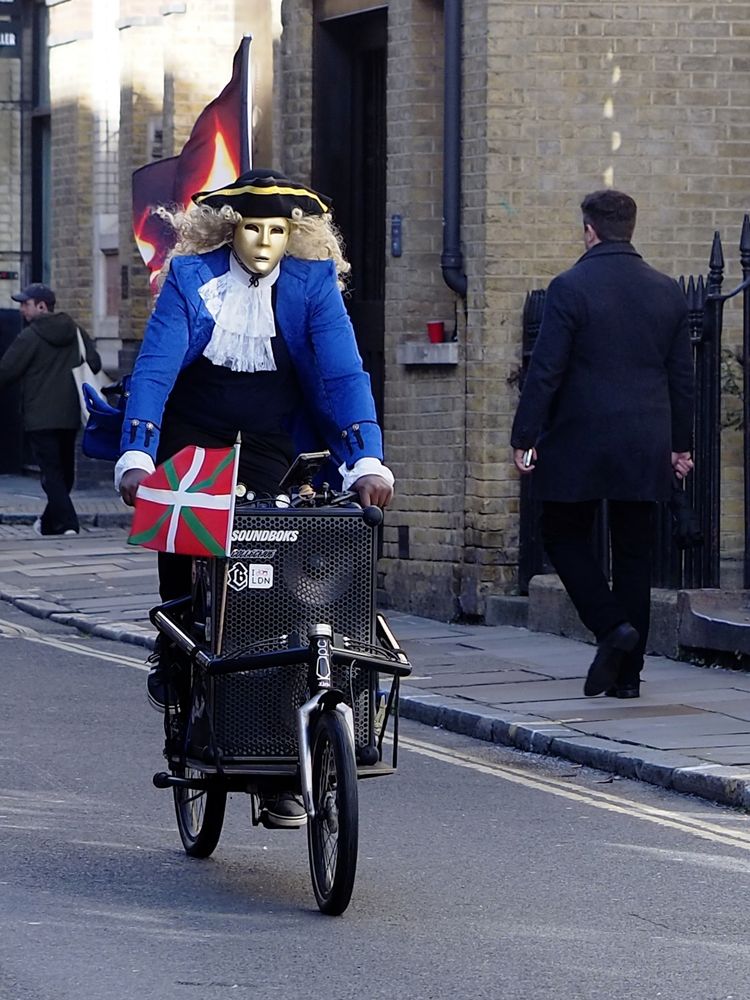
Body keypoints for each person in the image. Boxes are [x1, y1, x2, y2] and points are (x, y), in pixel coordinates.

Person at [116, 168, 393, 827]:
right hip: (195, 428)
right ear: (227, 228)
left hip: (270, 437)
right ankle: (176, 649)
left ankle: (278, 760)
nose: (266, 241)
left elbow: (342, 370)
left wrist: (367, 460)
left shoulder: (312, 283)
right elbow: (155, 368)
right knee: (188, 537)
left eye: (279, 229)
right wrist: (136, 452)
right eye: (253, 227)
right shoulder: (191, 278)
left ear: (295, 233)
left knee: (272, 566)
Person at [511, 190, 694, 700]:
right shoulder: (668, 292)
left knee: (563, 535)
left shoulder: (570, 287)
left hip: (579, 439)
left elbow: (546, 370)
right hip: (645, 441)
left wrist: (524, 437)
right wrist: (681, 445)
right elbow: (683, 379)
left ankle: (611, 627)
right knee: (635, 554)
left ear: (589, 230)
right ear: (630, 229)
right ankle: (628, 678)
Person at [0, 283, 102, 536]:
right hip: (69, 415)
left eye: (26, 304)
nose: (22, 309)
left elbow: (6, 371)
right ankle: (47, 524)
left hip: (39, 417)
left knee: (52, 473)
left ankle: (68, 524)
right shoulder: (75, 331)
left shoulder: (30, 336)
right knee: (64, 473)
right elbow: (95, 363)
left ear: (42, 306)